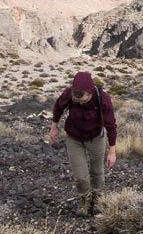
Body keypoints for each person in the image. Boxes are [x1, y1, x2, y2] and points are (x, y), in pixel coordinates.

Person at [49, 71, 117, 215]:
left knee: (97, 171)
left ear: (90, 94)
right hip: (74, 138)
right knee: (81, 176)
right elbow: (58, 107)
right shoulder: (69, 94)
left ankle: (98, 199)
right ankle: (84, 199)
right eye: (77, 101)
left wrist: (112, 152)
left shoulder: (102, 98)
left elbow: (111, 125)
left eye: (84, 101)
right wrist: (54, 127)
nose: (80, 103)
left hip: (96, 137)